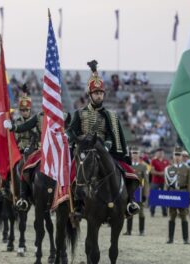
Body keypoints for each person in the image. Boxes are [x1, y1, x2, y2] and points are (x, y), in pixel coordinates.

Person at [67, 60, 139, 220]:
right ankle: (77, 205)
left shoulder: (110, 115)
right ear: (90, 95)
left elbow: (112, 134)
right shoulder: (80, 113)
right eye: (96, 93)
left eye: (101, 93)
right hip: (84, 151)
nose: (99, 95)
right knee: (73, 173)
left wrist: (107, 144)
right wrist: (78, 140)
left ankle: (130, 202)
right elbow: (70, 131)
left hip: (104, 149)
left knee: (129, 172)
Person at [3, 95, 42, 211]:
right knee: (11, 165)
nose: (25, 112)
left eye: (27, 110)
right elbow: (13, 137)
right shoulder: (16, 122)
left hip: (33, 151)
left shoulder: (35, 121)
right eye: (23, 110)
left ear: (30, 110)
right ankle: (7, 188)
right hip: (19, 151)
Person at [165, 146, 190, 244]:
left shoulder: (187, 169)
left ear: (182, 156)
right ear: (173, 156)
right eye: (175, 155)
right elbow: (166, 185)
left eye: (179, 155)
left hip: (183, 194)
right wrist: (165, 196)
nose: (177, 157)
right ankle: (170, 238)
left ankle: (186, 239)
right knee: (172, 216)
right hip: (172, 194)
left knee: (184, 217)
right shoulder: (168, 169)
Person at [124, 146, 149, 236]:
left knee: (141, 212)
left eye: (136, 153)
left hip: (139, 192)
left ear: (139, 154)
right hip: (129, 192)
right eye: (133, 153)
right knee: (128, 210)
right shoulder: (128, 166)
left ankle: (141, 231)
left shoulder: (143, 166)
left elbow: (146, 181)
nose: (134, 155)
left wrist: (145, 193)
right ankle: (128, 231)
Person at [150, 148, 169, 217]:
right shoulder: (153, 161)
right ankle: (152, 212)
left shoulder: (166, 161)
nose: (160, 154)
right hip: (155, 182)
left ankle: (164, 212)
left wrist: (163, 174)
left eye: (161, 153)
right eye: (159, 152)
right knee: (154, 197)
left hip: (164, 182)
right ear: (156, 153)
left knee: (164, 197)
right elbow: (152, 171)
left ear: (163, 154)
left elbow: (168, 171)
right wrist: (161, 173)